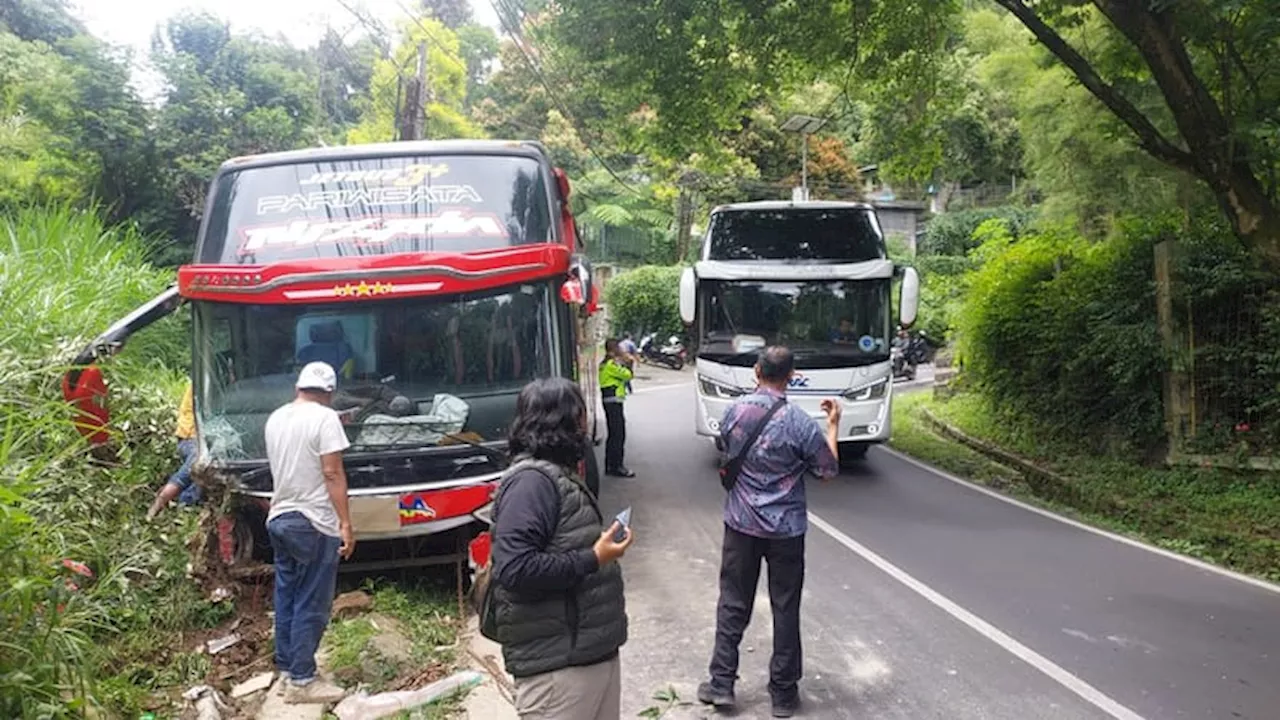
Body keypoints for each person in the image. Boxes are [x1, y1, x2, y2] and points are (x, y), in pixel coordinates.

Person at [697, 346, 841, 718]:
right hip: (786, 531)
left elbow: (726, 447)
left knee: (732, 602)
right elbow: (827, 472)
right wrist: (833, 426)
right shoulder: (799, 422)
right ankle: (782, 693)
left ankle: (722, 684)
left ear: (757, 370)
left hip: (741, 526)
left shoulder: (734, 411)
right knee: (785, 606)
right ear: (791, 376)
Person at [489, 377, 633, 719]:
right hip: (558, 671)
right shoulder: (531, 483)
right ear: (568, 419)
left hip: (588, 657)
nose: (586, 421)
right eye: (581, 412)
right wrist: (594, 557)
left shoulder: (558, 474)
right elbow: (514, 569)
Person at [264, 361, 356, 704]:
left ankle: (288, 669)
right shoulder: (325, 418)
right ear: (329, 392)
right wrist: (345, 523)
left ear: (298, 387)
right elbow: (331, 473)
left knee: (286, 597)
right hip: (313, 521)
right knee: (312, 600)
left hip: (280, 518)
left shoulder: (276, 418)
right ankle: (304, 681)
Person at [146, 382, 201, 520]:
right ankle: (157, 506)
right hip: (191, 438)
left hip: (211, 439)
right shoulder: (203, 383)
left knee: (198, 482)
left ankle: (183, 510)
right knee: (197, 461)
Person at [598, 339, 635, 477]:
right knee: (618, 435)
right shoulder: (611, 365)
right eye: (619, 348)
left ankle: (610, 465)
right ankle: (617, 466)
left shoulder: (604, 364)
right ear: (613, 350)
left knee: (613, 435)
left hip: (609, 402)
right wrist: (629, 362)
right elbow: (627, 375)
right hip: (614, 403)